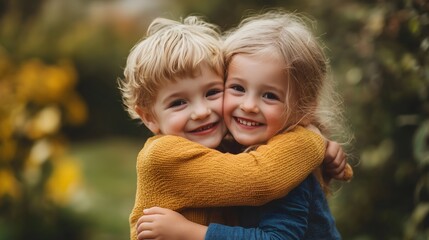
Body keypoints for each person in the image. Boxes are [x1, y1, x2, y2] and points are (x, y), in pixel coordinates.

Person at [119, 15, 351, 240]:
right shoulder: (163, 156)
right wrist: (312, 140)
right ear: (149, 117)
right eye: (178, 102)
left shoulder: (230, 146)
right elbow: (260, 178)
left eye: (212, 92)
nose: (201, 112)